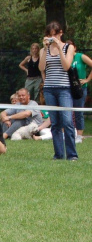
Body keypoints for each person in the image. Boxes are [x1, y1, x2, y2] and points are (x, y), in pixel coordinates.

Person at [38, 21, 78, 161]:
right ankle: (59, 154)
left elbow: (66, 66)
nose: (52, 37)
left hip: (64, 88)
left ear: (60, 33)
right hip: (49, 89)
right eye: (49, 35)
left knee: (67, 121)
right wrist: (45, 49)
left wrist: (59, 49)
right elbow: (41, 67)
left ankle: (72, 155)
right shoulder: (44, 50)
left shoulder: (69, 47)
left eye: (55, 34)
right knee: (55, 123)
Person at [67, 40, 92, 144]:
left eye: (71, 47)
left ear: (75, 48)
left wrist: (87, 79)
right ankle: (68, 134)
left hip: (80, 88)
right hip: (67, 88)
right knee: (67, 111)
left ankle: (79, 135)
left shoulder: (81, 56)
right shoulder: (65, 58)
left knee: (78, 112)